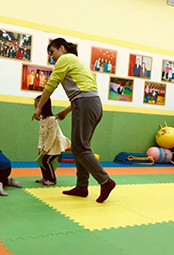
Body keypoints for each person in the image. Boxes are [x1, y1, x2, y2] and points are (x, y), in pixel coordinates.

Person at [32, 37, 116, 203]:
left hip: (84, 104)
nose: (52, 57)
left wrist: (39, 107)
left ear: (62, 48)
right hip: (91, 104)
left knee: (80, 148)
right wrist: (67, 110)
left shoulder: (65, 58)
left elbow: (51, 84)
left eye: (52, 52)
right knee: (81, 147)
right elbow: (86, 91)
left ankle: (105, 181)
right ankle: (82, 186)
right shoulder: (76, 62)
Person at [34, 95, 71, 186]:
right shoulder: (42, 120)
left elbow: (52, 136)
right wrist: (40, 147)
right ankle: (45, 177)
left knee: (47, 160)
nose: (36, 109)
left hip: (56, 144)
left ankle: (52, 179)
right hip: (48, 144)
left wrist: (46, 149)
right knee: (41, 158)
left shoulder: (52, 120)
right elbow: (41, 135)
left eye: (37, 106)